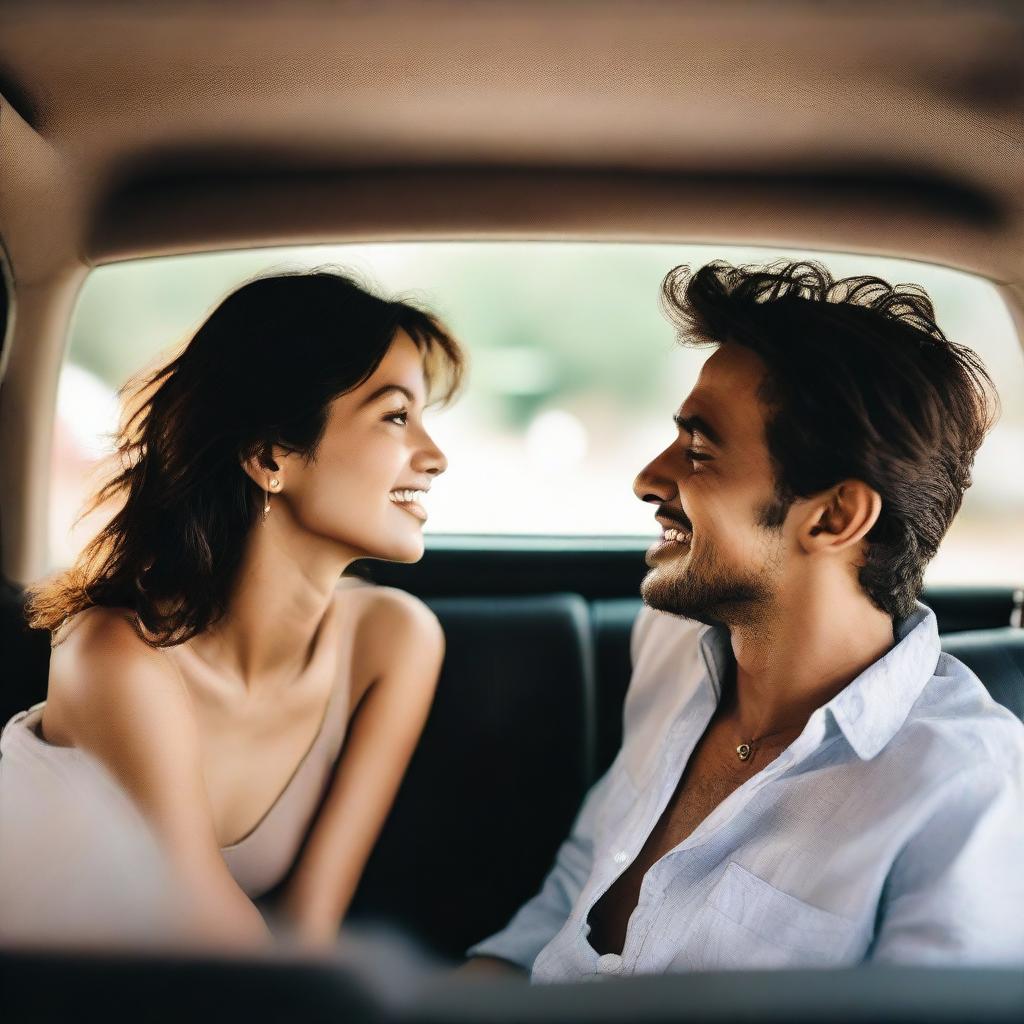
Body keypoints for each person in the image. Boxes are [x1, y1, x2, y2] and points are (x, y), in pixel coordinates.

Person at [465, 259, 1024, 979]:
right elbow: (576, 895)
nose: (646, 479)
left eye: (699, 449)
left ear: (833, 516)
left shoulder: (968, 792)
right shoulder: (669, 649)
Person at [0, 270, 463, 950]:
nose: (436, 457)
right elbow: (223, 947)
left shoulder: (396, 642)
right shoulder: (115, 654)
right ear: (270, 453)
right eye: (396, 415)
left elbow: (306, 934)